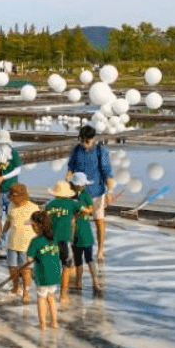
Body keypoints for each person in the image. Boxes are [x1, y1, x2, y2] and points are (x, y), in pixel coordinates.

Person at [66, 125, 114, 262]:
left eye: (88, 141)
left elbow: (107, 173)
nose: (85, 144)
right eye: (83, 141)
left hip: (97, 192)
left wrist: (110, 191)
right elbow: (70, 168)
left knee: (99, 221)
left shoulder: (100, 151)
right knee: (74, 221)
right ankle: (74, 248)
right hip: (78, 193)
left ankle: (100, 250)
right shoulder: (77, 150)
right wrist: (67, 183)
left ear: (94, 139)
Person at [26, 210, 62, 330]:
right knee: (51, 297)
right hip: (55, 273)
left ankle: (43, 324)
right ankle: (54, 322)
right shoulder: (54, 238)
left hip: (42, 274)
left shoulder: (35, 241)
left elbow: (29, 259)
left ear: (36, 226)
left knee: (41, 298)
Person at [45, 181, 80, 302]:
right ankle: (63, 295)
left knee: (51, 266)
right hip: (65, 240)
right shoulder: (71, 204)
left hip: (51, 240)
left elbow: (47, 220)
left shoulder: (50, 204)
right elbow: (85, 210)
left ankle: (49, 294)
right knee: (66, 267)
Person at [5, 182, 40, 304]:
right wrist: (2, 232)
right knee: (12, 267)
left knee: (25, 269)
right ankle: (16, 287)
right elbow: (8, 220)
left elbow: (39, 225)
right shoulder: (11, 205)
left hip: (27, 244)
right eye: (11, 197)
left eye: (15, 196)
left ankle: (26, 290)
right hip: (12, 243)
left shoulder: (33, 208)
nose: (13, 199)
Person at [71, 186, 104, 297]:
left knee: (85, 259)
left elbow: (90, 209)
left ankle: (91, 282)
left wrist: (84, 212)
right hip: (78, 232)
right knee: (81, 260)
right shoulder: (82, 195)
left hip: (83, 232)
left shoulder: (82, 195)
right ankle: (80, 282)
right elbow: (90, 209)